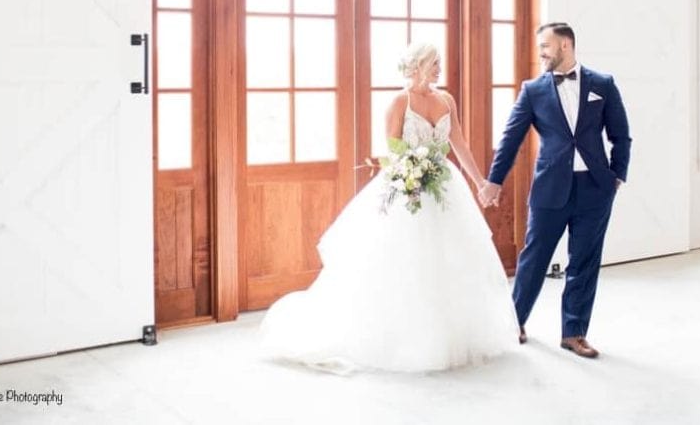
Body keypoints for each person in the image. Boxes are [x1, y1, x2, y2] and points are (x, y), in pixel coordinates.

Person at [260, 43, 518, 373]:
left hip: (443, 186)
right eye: (433, 63)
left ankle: (449, 334)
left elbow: (460, 144)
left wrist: (480, 182)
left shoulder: (447, 100)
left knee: (449, 258)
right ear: (417, 66)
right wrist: (412, 173)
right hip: (408, 185)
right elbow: (393, 149)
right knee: (406, 261)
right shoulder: (399, 102)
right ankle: (405, 339)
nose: (439, 68)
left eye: (439, 62)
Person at [479, 22, 631, 359]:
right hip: (550, 188)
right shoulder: (533, 90)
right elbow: (510, 139)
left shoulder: (603, 85)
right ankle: (514, 322)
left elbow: (621, 134)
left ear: (565, 45)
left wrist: (617, 174)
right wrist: (494, 180)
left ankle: (574, 332)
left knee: (584, 261)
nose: (541, 53)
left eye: (545, 46)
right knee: (534, 258)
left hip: (595, 189)